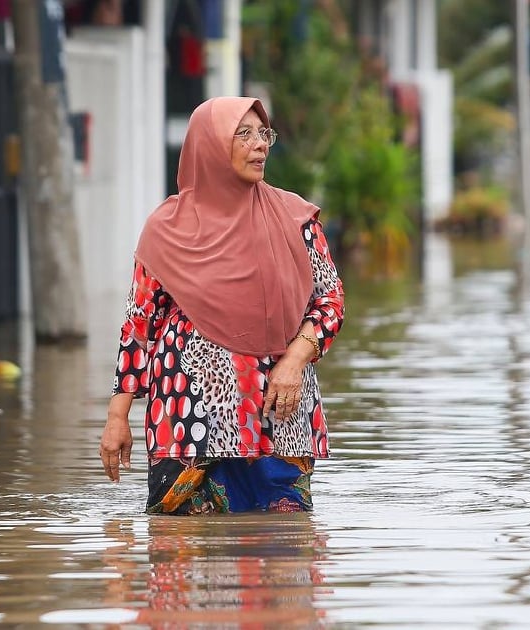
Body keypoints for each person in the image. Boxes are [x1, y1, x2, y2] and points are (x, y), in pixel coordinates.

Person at [98, 97, 345, 515]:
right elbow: (139, 326)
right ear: (209, 145)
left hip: (278, 419)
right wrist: (116, 417)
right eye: (244, 134)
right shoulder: (166, 229)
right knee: (183, 559)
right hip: (188, 423)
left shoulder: (296, 219)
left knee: (286, 556)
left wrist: (294, 362)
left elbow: (330, 301)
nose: (261, 145)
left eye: (264, 134)